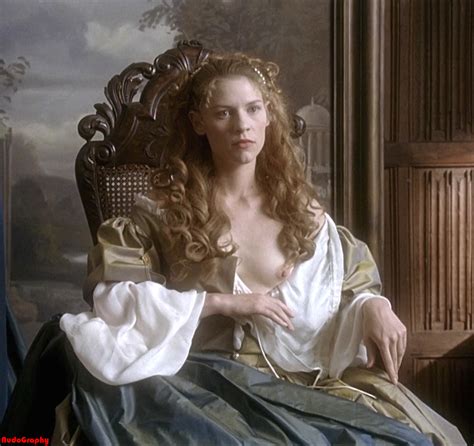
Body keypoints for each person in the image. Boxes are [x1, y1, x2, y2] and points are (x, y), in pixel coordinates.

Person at [4, 51, 465, 445]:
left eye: (252, 109)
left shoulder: (302, 210)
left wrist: (373, 304)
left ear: (268, 116)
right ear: (199, 123)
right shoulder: (162, 212)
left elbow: (347, 284)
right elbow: (115, 298)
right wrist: (223, 303)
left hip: (307, 384)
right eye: (224, 113)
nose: (242, 125)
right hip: (207, 387)